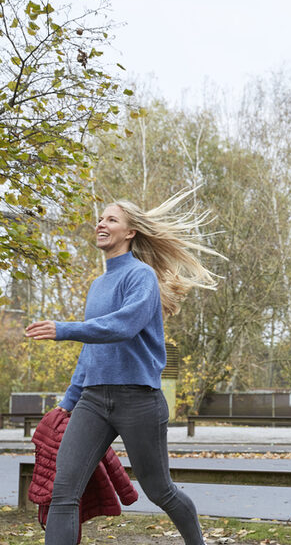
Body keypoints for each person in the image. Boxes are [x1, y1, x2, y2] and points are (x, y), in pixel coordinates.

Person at [25, 190, 219, 545]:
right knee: (63, 493)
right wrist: (68, 402)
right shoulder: (97, 285)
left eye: (111, 219)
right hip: (93, 401)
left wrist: (63, 329)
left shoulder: (141, 277)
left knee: (160, 490)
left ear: (130, 232)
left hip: (138, 400)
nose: (101, 224)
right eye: (100, 219)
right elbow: (92, 349)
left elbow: (122, 326)